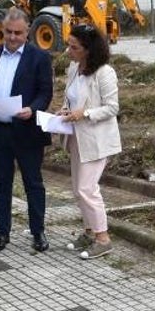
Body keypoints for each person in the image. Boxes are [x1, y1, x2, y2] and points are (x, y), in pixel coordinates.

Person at [0, 8, 54, 253]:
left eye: (17, 33)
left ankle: (38, 231)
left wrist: (33, 108)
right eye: (8, 32)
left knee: (33, 182)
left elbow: (45, 92)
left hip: (27, 129)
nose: (11, 37)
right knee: (1, 183)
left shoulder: (39, 57)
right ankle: (1, 232)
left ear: (27, 32)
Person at [58, 24, 122, 259]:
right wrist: (64, 111)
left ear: (88, 49)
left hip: (97, 139)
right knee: (77, 189)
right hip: (76, 137)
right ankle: (88, 232)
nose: (68, 50)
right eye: (68, 45)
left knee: (87, 188)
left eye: (73, 47)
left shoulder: (104, 72)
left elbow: (112, 108)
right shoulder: (74, 68)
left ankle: (103, 238)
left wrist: (84, 114)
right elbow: (71, 98)